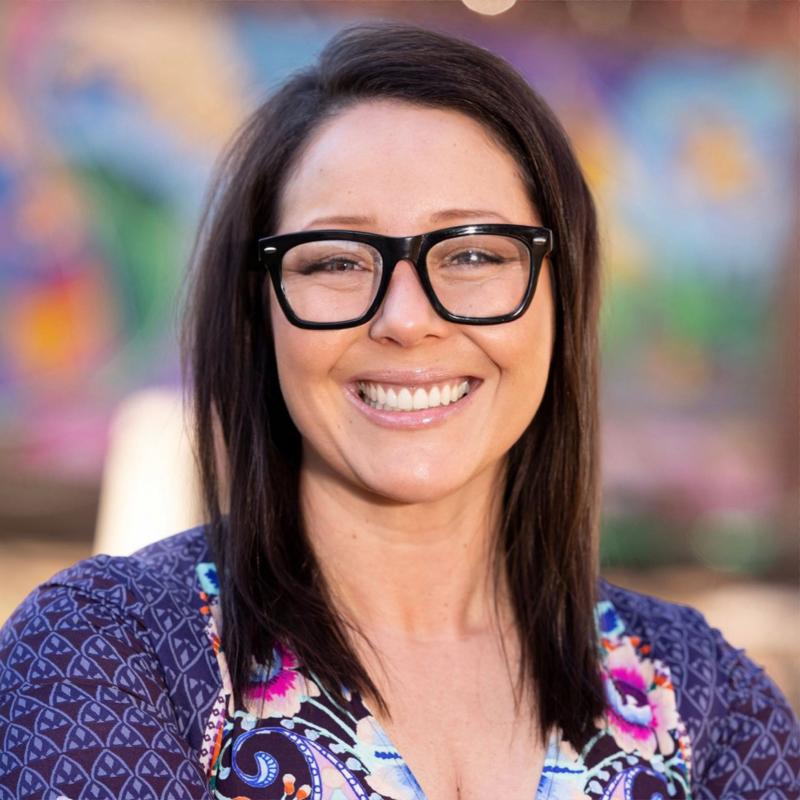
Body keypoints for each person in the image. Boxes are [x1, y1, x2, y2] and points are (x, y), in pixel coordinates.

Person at [0, 23, 797, 800]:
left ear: (564, 298)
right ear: (258, 310)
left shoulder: (707, 701)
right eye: (339, 261)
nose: (407, 319)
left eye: (476, 253)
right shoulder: (107, 650)